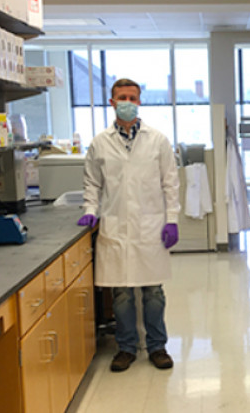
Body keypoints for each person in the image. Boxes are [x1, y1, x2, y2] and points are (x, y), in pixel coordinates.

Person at [78, 78, 181, 372]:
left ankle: (157, 347)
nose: (127, 102)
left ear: (139, 102)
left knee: (153, 293)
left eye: (132, 97)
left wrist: (172, 219)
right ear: (112, 102)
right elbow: (92, 182)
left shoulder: (158, 140)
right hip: (115, 226)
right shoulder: (100, 142)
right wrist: (90, 210)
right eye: (122, 97)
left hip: (150, 225)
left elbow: (170, 183)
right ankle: (125, 348)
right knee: (121, 293)